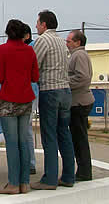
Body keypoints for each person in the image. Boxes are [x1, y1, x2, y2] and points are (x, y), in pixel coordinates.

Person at [31, 10, 75, 190]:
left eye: (38, 23)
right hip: (66, 90)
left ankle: (49, 179)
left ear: (44, 24)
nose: (36, 26)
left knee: (49, 136)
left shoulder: (43, 40)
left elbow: (34, 64)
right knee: (64, 133)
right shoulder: (62, 41)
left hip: (50, 90)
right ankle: (68, 176)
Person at [0, 20, 39, 194]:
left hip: (8, 99)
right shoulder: (30, 50)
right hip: (26, 99)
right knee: (23, 141)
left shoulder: (2, 49)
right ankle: (25, 183)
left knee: (12, 142)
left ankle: (13, 183)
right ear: (23, 34)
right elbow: (35, 76)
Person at [66, 30, 95, 182]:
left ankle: (84, 171)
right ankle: (83, 170)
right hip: (79, 101)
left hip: (79, 102)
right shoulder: (77, 55)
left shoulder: (79, 55)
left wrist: (64, 83)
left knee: (79, 139)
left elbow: (82, 78)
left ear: (78, 42)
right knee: (78, 138)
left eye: (69, 41)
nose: (67, 43)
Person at [22, 23, 38, 175]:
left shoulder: (31, 49)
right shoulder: (31, 48)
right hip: (31, 93)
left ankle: (29, 163)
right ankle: (29, 162)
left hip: (28, 94)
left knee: (25, 129)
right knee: (25, 129)